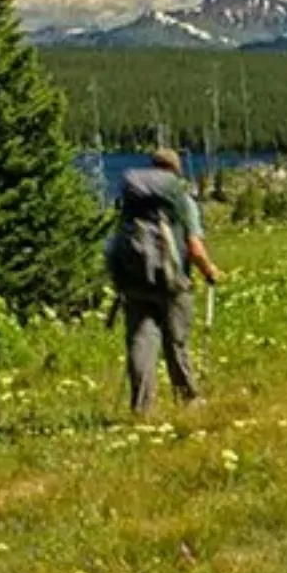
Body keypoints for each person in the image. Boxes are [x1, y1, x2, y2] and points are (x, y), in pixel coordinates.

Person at [106, 149, 223, 412]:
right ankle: (188, 399)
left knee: (141, 341)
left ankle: (141, 408)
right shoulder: (180, 199)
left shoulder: (133, 201)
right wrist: (209, 271)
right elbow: (194, 247)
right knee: (176, 341)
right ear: (175, 171)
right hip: (171, 280)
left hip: (134, 281)